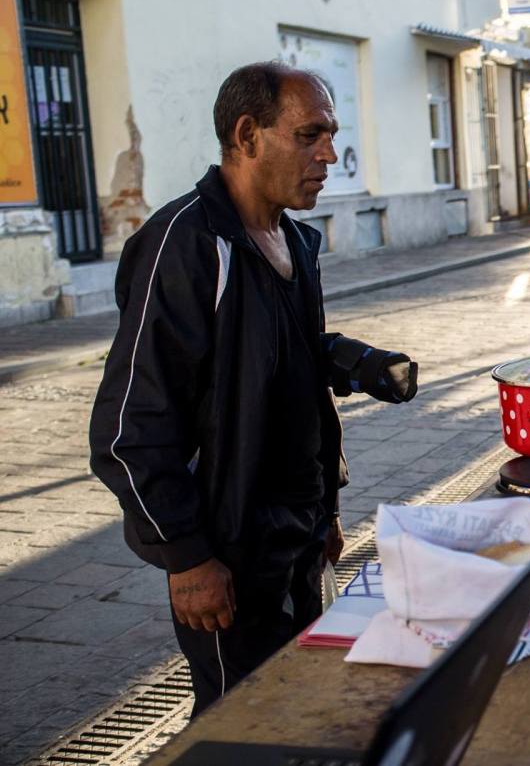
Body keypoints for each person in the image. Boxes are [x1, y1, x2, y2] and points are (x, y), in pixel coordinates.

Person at [89, 62, 420, 715]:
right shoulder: (185, 244)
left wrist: (324, 507)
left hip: (296, 542)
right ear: (247, 135)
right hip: (224, 555)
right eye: (310, 135)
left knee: (301, 703)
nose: (330, 154)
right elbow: (131, 427)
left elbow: (287, 373)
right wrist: (186, 558)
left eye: (331, 134)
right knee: (236, 722)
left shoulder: (295, 241)